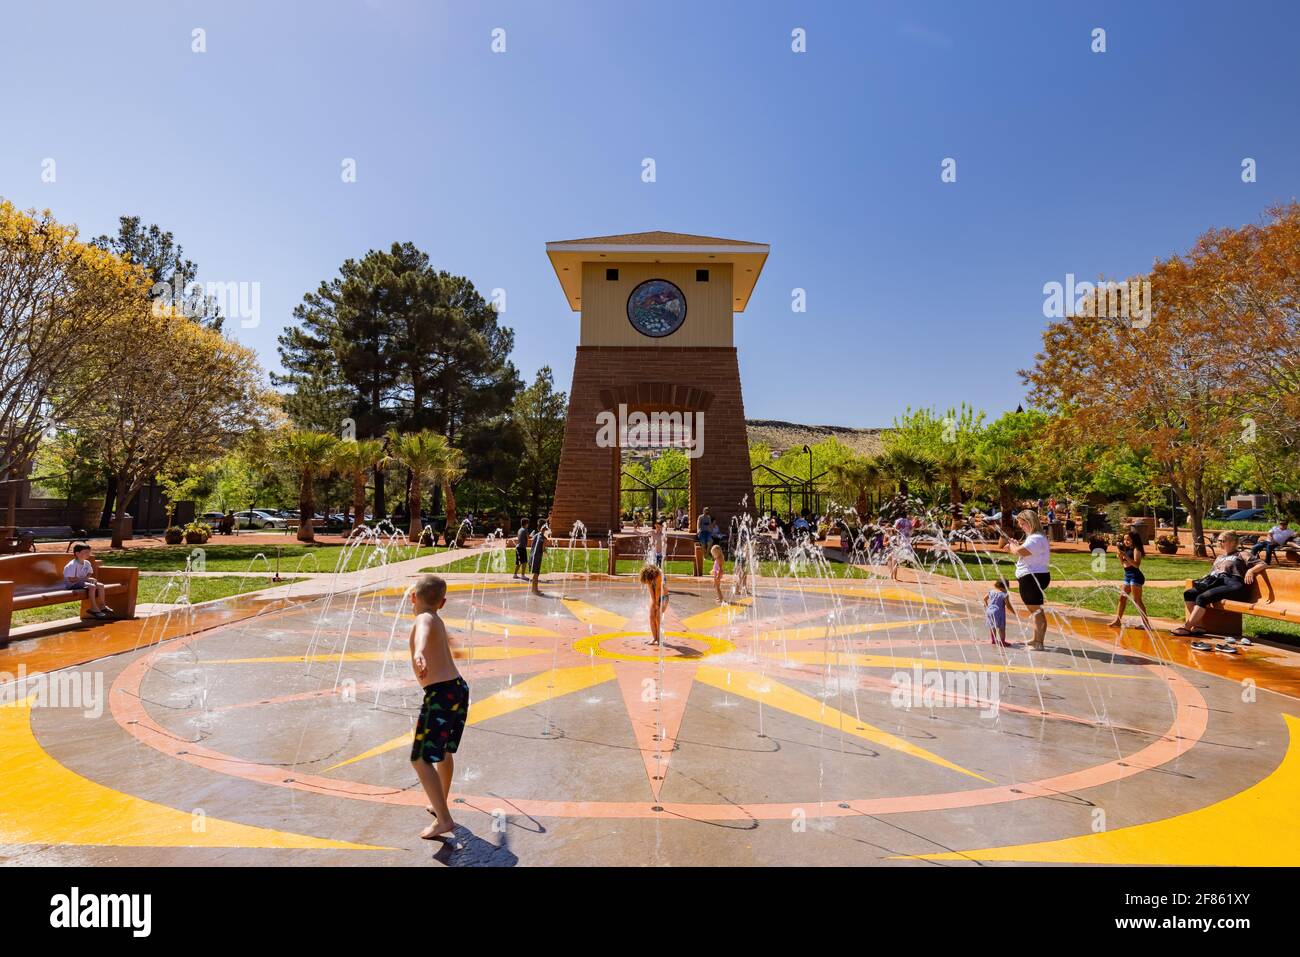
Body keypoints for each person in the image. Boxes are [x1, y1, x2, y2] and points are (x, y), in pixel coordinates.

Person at [406, 574, 468, 841]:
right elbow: (435, 632)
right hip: (457, 689)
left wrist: (419, 652)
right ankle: (439, 801)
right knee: (442, 752)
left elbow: (423, 632)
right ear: (442, 602)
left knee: (419, 759)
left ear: (412, 598)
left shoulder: (424, 618)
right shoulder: (437, 618)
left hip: (441, 695)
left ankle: (444, 820)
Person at [1174, 532, 1267, 639]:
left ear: (1232, 542)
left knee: (1202, 598)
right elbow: (1213, 573)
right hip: (1217, 582)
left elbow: (1263, 564)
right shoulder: (1220, 557)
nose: (1220, 543)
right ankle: (1197, 625)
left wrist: (1250, 570)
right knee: (1189, 593)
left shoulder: (1242, 554)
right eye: (1219, 541)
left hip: (1234, 584)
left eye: (1223, 541)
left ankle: (1187, 627)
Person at [1108, 529, 1149, 627]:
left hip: (1136, 576)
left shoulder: (1136, 549)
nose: (1126, 541)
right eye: (1125, 539)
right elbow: (1124, 565)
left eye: (1128, 539)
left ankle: (1146, 624)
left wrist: (1125, 555)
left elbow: (1136, 565)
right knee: (1122, 598)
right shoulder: (1126, 550)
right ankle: (1117, 620)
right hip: (1128, 576)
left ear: (1134, 540)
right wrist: (1120, 557)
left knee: (1137, 600)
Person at [64, 543, 111, 619]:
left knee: (100, 585)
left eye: (89, 552)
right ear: (77, 553)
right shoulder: (72, 565)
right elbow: (71, 579)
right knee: (92, 586)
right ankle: (93, 608)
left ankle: (102, 606)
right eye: (85, 552)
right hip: (72, 584)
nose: (88, 554)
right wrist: (86, 579)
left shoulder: (87, 563)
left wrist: (87, 578)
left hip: (82, 582)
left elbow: (89, 572)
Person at [639, 562, 668, 645]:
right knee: (651, 616)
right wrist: (654, 602)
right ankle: (654, 638)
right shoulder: (647, 575)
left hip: (663, 596)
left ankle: (659, 639)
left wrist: (657, 604)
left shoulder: (659, 573)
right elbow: (651, 589)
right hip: (655, 595)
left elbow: (658, 590)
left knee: (657, 617)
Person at [983, 579, 1011, 646]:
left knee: (993, 627)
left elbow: (984, 599)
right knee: (1001, 628)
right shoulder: (1004, 595)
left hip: (989, 611)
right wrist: (1014, 612)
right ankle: (1003, 642)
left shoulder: (992, 591)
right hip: (999, 613)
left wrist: (987, 606)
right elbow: (1008, 605)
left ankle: (993, 640)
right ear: (1005, 587)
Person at [529, 523, 549, 595]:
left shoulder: (536, 535)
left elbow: (532, 545)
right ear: (545, 531)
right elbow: (543, 549)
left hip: (532, 556)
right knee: (536, 574)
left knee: (535, 573)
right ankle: (535, 590)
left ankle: (534, 589)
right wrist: (547, 553)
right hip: (536, 557)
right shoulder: (543, 538)